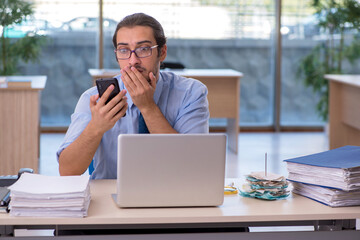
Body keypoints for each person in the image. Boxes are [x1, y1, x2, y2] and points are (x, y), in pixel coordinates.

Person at [57, 13, 210, 179]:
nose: (133, 61)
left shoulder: (191, 93)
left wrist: (147, 107)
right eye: (124, 50)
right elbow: (67, 171)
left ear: (162, 52)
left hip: (173, 192)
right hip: (111, 195)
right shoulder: (94, 98)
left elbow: (192, 165)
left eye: (143, 49)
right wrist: (96, 127)